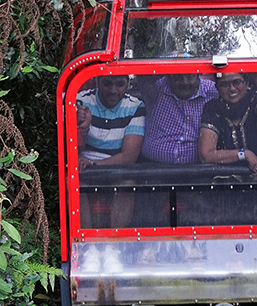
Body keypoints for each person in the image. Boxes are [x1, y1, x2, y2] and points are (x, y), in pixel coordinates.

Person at [76, 76, 145, 228]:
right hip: (83, 169)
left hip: (116, 169)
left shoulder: (136, 106)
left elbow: (129, 156)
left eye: (119, 84)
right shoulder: (80, 101)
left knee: (128, 184)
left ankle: (116, 239)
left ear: (128, 83)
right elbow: (69, 148)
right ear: (97, 81)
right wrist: (83, 129)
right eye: (107, 83)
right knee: (72, 182)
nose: (113, 90)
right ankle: (84, 239)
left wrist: (94, 164)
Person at [198, 73, 257, 174]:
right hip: (228, 177)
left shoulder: (254, 97)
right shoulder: (212, 108)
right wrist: (243, 154)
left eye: (237, 82)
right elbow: (206, 155)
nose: (232, 88)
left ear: (247, 82)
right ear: (217, 87)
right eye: (224, 85)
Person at [141, 73, 217, 164]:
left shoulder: (213, 91)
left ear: (198, 74)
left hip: (199, 167)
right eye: (177, 77)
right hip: (153, 166)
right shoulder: (156, 88)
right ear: (167, 77)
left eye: (190, 76)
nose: (185, 82)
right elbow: (144, 73)